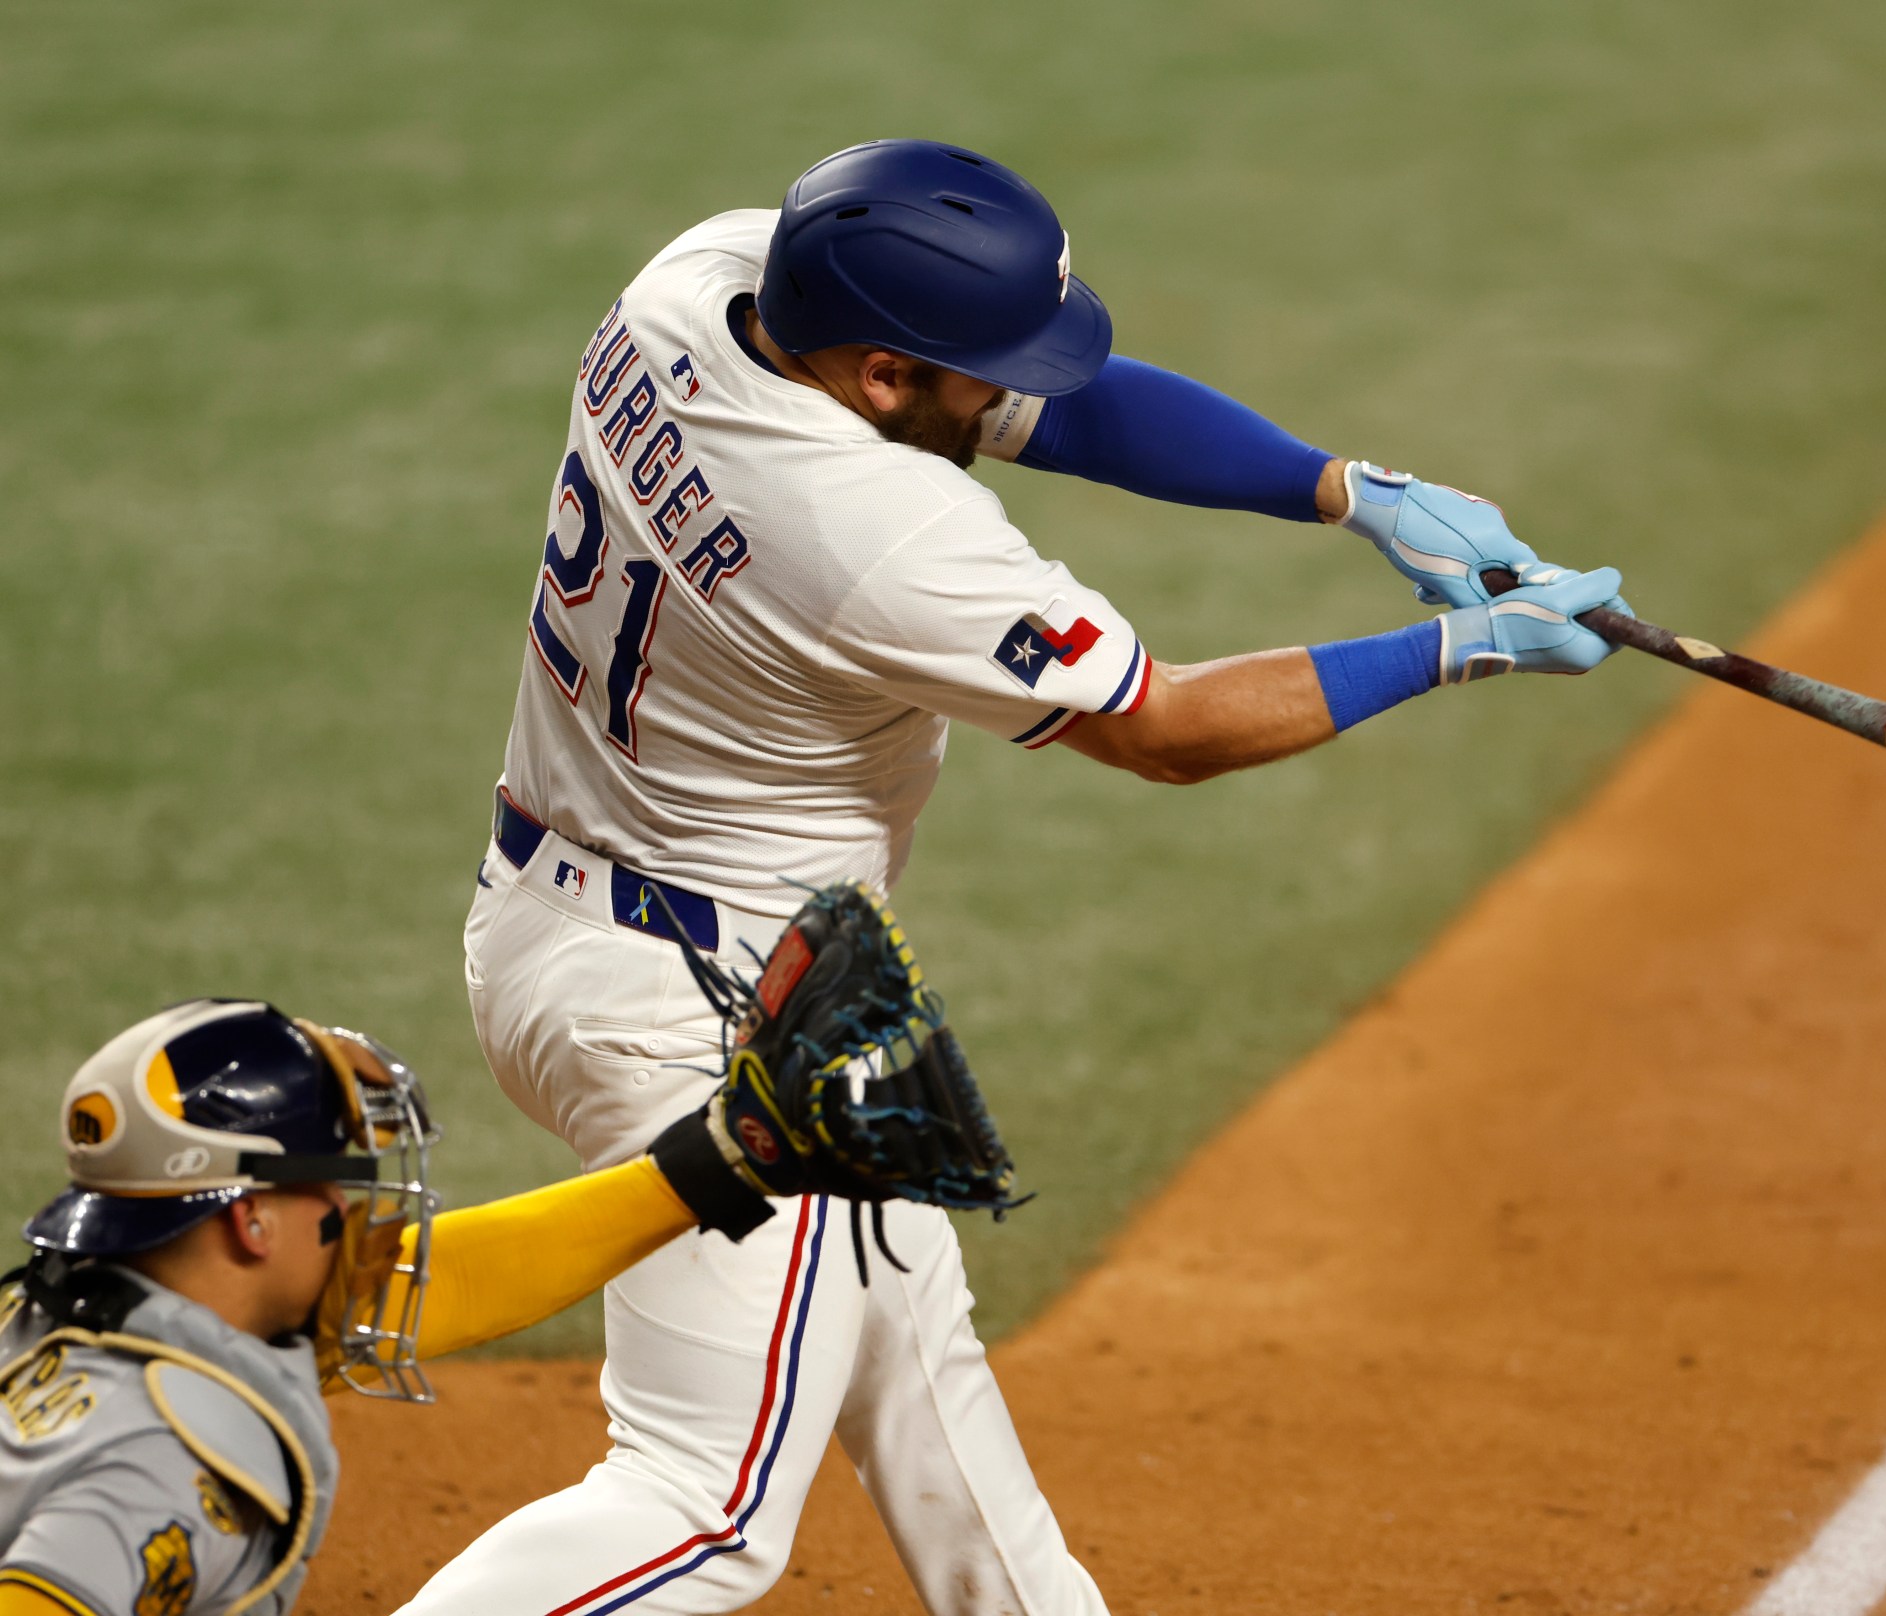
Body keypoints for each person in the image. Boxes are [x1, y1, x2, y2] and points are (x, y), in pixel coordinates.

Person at [413, 137, 1631, 1616]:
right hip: (707, 1015)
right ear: (877, 377)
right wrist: (1460, 647)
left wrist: (1347, 491)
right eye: (977, 369)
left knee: (917, 1351)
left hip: (579, 916)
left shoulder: (707, 278)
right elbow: (1166, 730)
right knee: (702, 1505)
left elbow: (1056, 412)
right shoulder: (878, 535)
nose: (1011, 391)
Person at [0, 980, 911, 1616]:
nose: (354, 1217)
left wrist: (715, 1166)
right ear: (252, 1224)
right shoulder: (168, 1457)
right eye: (334, 1187)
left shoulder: (69, 1317)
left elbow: (445, 1282)